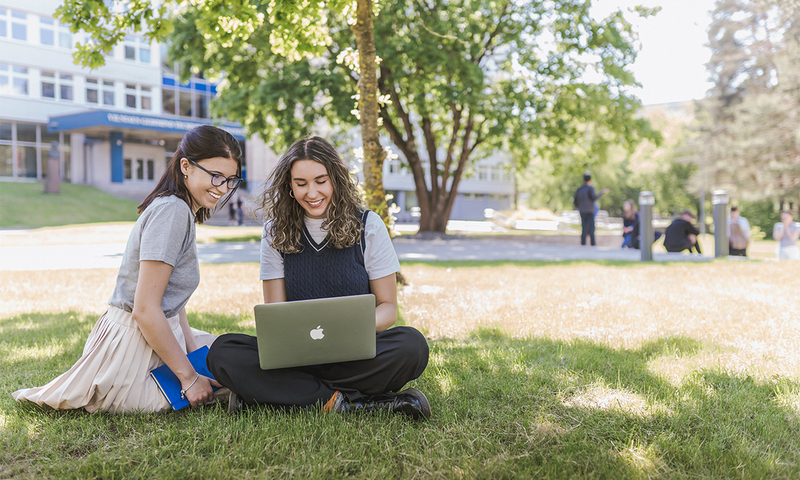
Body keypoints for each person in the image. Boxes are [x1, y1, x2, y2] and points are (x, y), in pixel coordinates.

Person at [12, 125, 242, 413]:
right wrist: (189, 377)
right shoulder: (172, 212)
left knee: (233, 352)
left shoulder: (179, 209)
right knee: (240, 370)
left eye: (231, 180)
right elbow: (145, 309)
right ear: (186, 166)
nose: (223, 188)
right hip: (132, 352)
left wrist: (192, 351)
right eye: (216, 176)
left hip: (149, 335)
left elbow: (172, 299)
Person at [206, 136, 431, 419]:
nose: (311, 193)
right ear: (289, 185)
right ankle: (350, 403)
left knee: (411, 345)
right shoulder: (274, 231)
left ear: (336, 179)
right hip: (297, 360)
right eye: (301, 184)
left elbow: (388, 308)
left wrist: (347, 332)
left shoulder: (369, 225)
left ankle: (285, 395)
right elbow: (276, 315)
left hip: (355, 358)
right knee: (224, 352)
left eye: (320, 181)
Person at [573, 173, 609, 246]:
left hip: (582, 210)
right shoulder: (590, 188)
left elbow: (575, 200)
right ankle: (592, 243)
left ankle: (583, 243)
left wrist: (578, 207)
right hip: (589, 211)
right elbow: (594, 198)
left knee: (584, 227)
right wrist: (602, 193)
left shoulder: (579, 189)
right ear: (590, 180)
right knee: (591, 228)